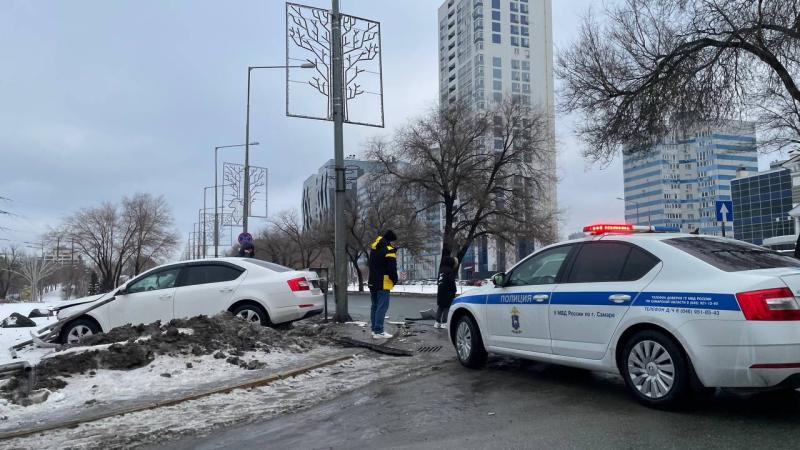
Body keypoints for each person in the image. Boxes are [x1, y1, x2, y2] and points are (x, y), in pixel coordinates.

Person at [368, 230, 398, 339]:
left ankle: (374, 330)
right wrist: (395, 280)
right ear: (390, 241)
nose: (394, 244)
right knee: (382, 307)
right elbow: (391, 269)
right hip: (383, 283)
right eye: (394, 242)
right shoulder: (389, 251)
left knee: (375, 306)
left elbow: (377, 264)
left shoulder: (374, 249)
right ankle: (379, 331)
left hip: (372, 282)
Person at [435, 256, 458, 329]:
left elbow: (438, 281)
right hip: (448, 292)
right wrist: (454, 290)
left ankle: (437, 322)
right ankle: (444, 323)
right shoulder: (450, 271)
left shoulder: (441, 270)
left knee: (440, 307)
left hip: (440, 291)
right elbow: (451, 282)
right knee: (447, 307)